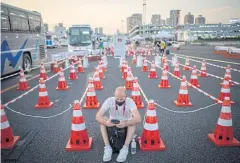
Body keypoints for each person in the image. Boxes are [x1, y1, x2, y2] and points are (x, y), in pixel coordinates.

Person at [96, 86, 141, 162]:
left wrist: (126, 123)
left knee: (132, 122)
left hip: (125, 125)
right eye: (117, 99)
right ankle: (107, 147)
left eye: (122, 99)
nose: (119, 101)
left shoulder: (130, 101)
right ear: (114, 95)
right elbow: (97, 116)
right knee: (103, 119)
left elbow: (138, 118)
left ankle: (125, 148)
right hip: (113, 123)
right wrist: (106, 123)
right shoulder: (109, 100)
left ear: (126, 96)